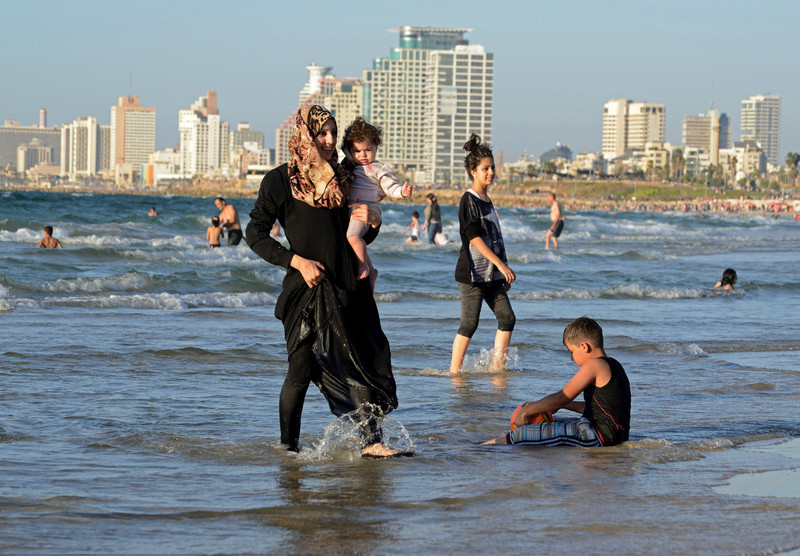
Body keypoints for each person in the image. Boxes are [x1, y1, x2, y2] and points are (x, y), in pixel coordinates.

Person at [245, 105, 399, 457]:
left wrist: (375, 220)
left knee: (360, 362)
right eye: (321, 133)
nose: (329, 140)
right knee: (299, 369)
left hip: (347, 285)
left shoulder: (346, 177)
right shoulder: (280, 180)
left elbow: (359, 234)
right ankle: (288, 449)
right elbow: (255, 234)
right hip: (306, 289)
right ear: (305, 135)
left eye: (333, 132)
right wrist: (296, 261)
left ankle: (372, 443)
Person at [483, 317, 631, 447]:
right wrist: (563, 406)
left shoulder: (594, 364)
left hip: (598, 436)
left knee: (521, 435)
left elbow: (562, 397)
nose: (572, 358)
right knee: (550, 422)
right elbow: (597, 409)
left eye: (571, 352)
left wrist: (525, 411)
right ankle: (502, 439)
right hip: (609, 433)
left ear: (584, 347)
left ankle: (481, 449)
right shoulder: (614, 364)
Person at [450, 133, 516, 374]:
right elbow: (474, 237)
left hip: (491, 274)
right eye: (485, 169)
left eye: (492, 168)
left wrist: (501, 271)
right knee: (469, 324)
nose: (490, 172)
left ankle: (498, 370)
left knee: (507, 318)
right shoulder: (469, 199)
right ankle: (454, 373)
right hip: (472, 274)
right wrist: (501, 265)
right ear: (473, 172)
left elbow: (495, 239)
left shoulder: (487, 200)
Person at [341, 116, 412, 287]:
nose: (363, 155)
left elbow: (390, 186)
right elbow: (344, 150)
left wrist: (401, 192)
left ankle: (363, 267)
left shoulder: (379, 168)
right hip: (354, 208)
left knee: (352, 237)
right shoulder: (351, 166)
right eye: (357, 151)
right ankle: (372, 270)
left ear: (376, 147)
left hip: (369, 207)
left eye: (368, 150)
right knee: (354, 240)